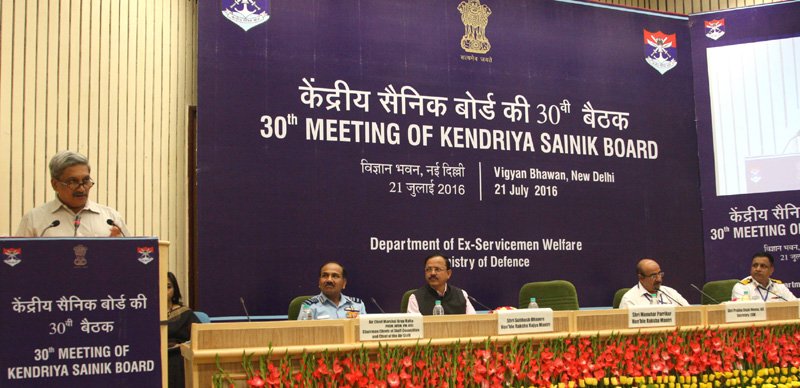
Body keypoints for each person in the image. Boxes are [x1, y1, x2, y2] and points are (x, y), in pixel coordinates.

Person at [15, 150, 130, 237]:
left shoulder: (111, 218)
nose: (81, 189)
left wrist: (117, 245)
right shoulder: (34, 219)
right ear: (55, 184)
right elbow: (17, 261)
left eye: (86, 181)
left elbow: (131, 259)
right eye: (72, 182)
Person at [407, 253, 476, 315]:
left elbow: (473, 321)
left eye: (437, 269)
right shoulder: (415, 298)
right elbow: (415, 328)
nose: (432, 273)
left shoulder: (461, 294)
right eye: (428, 269)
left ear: (448, 273)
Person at [298, 261, 367, 320]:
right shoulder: (309, 306)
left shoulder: (357, 305)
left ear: (344, 283)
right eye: (325, 275)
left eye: (335, 276)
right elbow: (303, 334)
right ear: (319, 282)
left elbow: (365, 332)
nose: (329, 280)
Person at [167, 272, 198, 388]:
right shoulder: (146, 313)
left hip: (178, 354)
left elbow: (198, 336)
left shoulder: (185, 313)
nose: (165, 291)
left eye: (169, 287)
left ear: (175, 289)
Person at [619, 258, 689, 308]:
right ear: (641, 277)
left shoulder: (671, 293)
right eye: (653, 276)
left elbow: (690, 312)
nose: (659, 279)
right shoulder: (629, 299)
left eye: (659, 274)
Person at [731, 252, 797, 302]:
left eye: (763, 266)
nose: (758, 269)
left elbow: (795, 305)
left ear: (771, 270)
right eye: (755, 265)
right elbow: (742, 312)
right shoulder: (742, 287)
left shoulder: (779, 286)